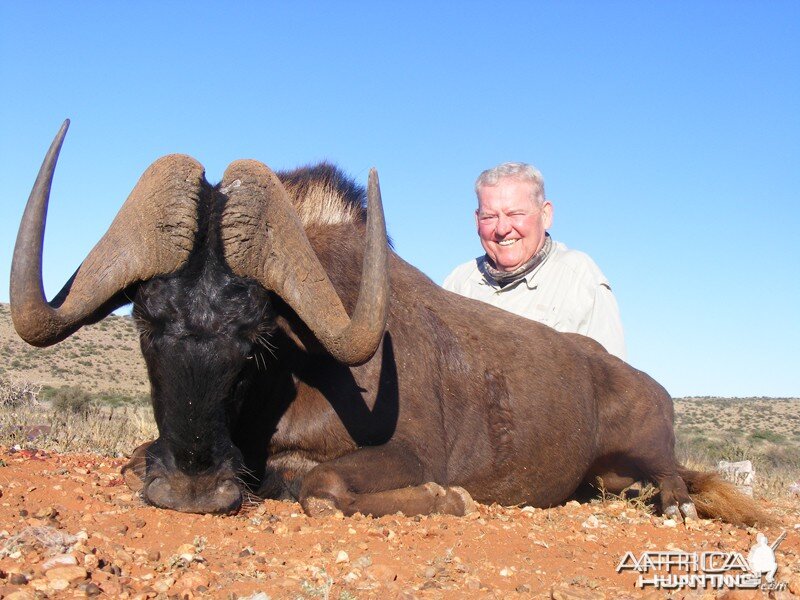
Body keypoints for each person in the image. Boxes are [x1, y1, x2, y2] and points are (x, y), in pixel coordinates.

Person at [443, 162, 626, 360]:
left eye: (515, 214)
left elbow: (615, 381)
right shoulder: (458, 284)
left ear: (545, 215)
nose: (502, 228)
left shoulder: (580, 278)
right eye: (489, 217)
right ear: (476, 221)